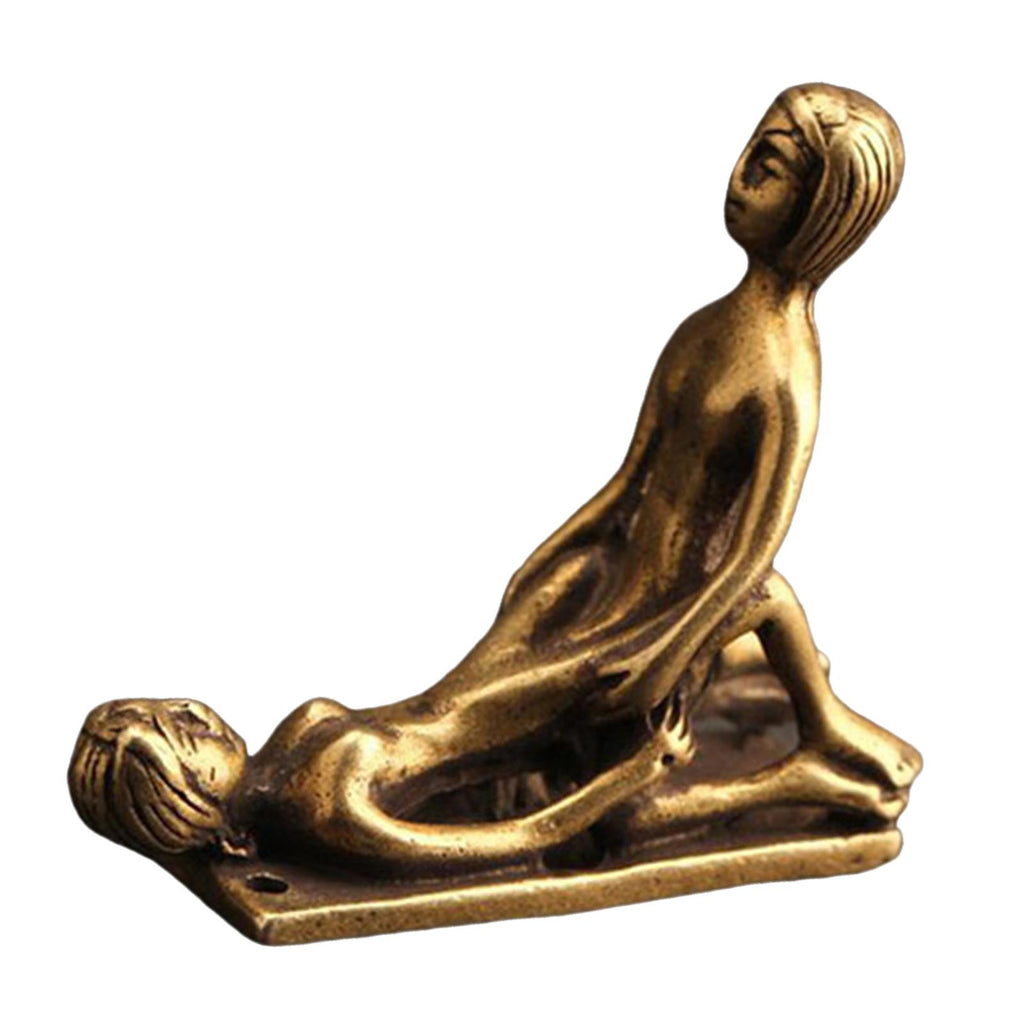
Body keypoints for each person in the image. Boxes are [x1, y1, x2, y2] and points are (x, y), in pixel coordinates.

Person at [69, 84, 921, 876]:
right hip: (530, 702)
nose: (193, 712)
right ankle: (805, 764)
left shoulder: (771, 359)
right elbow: (508, 844)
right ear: (191, 801)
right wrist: (635, 768)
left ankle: (797, 708)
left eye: (768, 161)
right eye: (179, 737)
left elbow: (665, 498)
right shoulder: (318, 805)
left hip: (575, 613)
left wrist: (556, 564)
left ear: (824, 213)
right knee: (656, 761)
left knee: (744, 599)